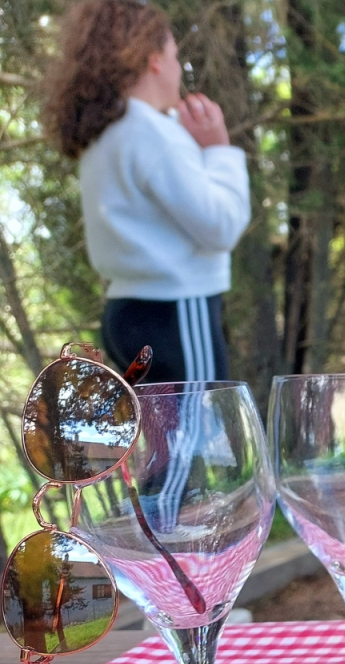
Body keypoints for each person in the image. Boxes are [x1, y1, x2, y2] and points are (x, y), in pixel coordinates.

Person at [43, 0, 249, 383]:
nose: (177, 68)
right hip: (175, 309)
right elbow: (221, 226)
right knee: (196, 433)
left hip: (126, 312)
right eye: (174, 55)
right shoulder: (153, 134)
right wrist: (218, 149)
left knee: (163, 438)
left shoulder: (105, 132)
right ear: (154, 59)